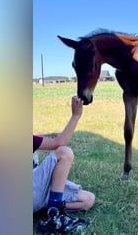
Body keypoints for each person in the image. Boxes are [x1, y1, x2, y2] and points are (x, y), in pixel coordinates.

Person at [33, 96, 95, 234]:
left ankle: (50, 207)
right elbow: (59, 143)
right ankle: (53, 217)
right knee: (65, 153)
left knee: (88, 200)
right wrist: (76, 116)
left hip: (37, 192)